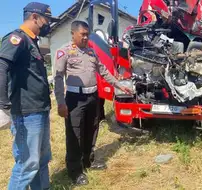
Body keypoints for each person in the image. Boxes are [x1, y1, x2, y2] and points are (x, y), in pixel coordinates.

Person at [54, 20, 131, 185]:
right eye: (82, 34)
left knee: (92, 129)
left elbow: (103, 71)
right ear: (73, 33)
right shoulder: (65, 51)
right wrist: (61, 102)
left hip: (92, 97)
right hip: (75, 99)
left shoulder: (91, 52)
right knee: (75, 134)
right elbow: (58, 78)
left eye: (87, 34)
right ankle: (75, 171)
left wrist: (119, 85)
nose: (86, 37)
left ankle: (88, 160)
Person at [0, 2, 59, 189]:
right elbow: (1, 67)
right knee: (27, 164)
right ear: (34, 17)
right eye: (46, 19)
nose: (48, 24)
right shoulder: (18, 38)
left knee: (42, 160)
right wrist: (3, 105)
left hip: (40, 110)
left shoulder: (32, 42)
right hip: (26, 113)